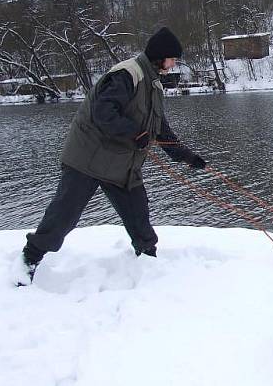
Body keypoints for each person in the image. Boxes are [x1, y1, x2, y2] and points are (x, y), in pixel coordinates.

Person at [13, 27, 206, 286]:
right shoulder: (127, 74)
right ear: (160, 56)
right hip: (87, 159)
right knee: (64, 216)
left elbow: (160, 130)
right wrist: (133, 133)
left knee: (138, 214)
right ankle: (28, 259)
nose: (173, 64)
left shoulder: (154, 85)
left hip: (120, 165)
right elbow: (102, 112)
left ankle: (148, 260)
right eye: (172, 59)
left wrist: (188, 157)